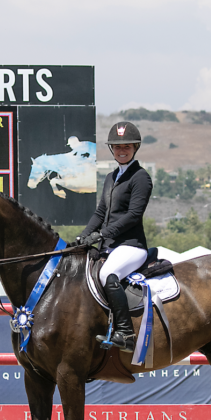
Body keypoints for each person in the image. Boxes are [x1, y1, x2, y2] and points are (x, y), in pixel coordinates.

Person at [77, 121, 153, 352]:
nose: (122, 150)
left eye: (127, 146)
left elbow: (133, 215)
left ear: (135, 148)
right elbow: (101, 212)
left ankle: (125, 333)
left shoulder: (141, 178)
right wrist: (83, 237)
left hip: (131, 246)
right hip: (110, 245)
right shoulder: (111, 177)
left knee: (109, 274)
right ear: (112, 149)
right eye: (118, 147)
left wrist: (101, 235)